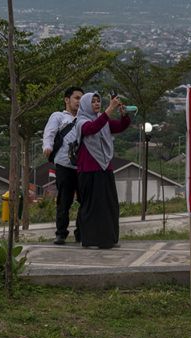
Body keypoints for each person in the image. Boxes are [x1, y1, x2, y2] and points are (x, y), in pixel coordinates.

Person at [74, 92, 132, 249]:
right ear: (85, 104)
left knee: (108, 205)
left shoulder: (103, 120)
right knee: (92, 206)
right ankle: (90, 239)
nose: (96, 104)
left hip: (104, 168)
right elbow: (92, 129)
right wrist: (109, 110)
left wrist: (124, 116)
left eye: (98, 101)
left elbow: (120, 127)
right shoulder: (81, 122)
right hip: (88, 171)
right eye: (92, 102)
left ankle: (108, 239)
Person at [42, 86, 84, 245]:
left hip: (82, 165)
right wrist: (47, 146)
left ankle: (82, 232)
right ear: (67, 100)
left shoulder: (85, 118)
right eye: (77, 98)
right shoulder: (58, 116)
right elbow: (49, 132)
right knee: (64, 201)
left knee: (84, 200)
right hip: (64, 165)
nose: (79, 101)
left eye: (81, 98)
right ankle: (61, 233)